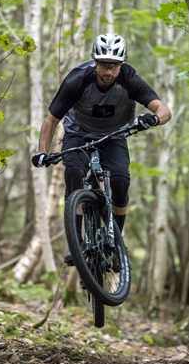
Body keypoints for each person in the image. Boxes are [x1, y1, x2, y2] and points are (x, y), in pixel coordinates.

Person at [31, 33, 172, 263]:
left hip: (114, 136)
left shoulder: (129, 78)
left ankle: (116, 242)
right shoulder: (78, 79)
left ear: (121, 65)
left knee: (120, 180)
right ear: (95, 62)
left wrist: (154, 119)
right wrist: (42, 152)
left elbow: (164, 110)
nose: (108, 72)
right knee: (74, 173)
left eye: (114, 66)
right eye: (104, 65)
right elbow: (51, 120)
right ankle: (76, 243)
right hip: (78, 134)